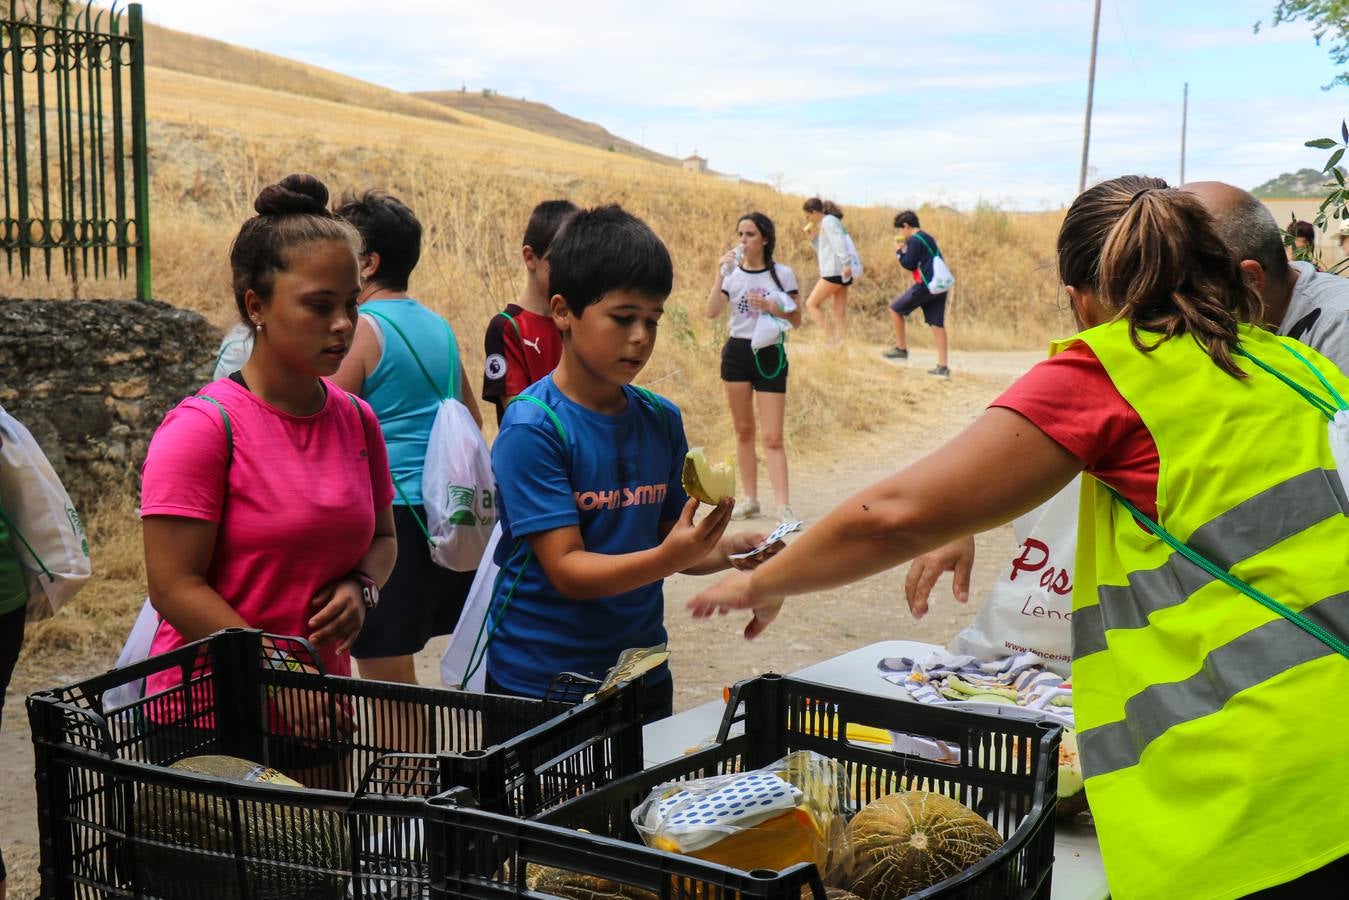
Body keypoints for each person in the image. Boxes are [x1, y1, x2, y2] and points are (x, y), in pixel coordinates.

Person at [690, 176, 1349, 899]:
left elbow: (892, 514)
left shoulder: (1117, 365)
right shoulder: (1298, 367)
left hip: (1256, 798)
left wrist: (761, 581)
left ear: (1080, 296)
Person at [907, 179, 1349, 669]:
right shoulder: (1212, 341)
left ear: (1245, 281)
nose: (1162, 314)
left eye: (1179, 285)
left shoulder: (1329, 340)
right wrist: (965, 505)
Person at [141, 175, 397, 780]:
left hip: (320, 710)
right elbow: (173, 586)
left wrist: (362, 588)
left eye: (352, 305)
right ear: (255, 305)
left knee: (322, 873)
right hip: (207, 716)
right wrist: (277, 676)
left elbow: (384, 540)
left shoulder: (357, 421)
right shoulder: (203, 429)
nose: (343, 325)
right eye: (319, 305)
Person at [484, 205, 781, 724]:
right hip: (541, 684)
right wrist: (671, 556)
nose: (641, 336)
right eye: (623, 318)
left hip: (640, 673)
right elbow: (569, 570)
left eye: (653, 320)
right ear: (563, 311)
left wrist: (731, 551)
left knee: (638, 806)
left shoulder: (662, 420)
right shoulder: (533, 428)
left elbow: (669, 541)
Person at [331, 190, 481, 685]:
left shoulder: (365, 329)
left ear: (367, 263)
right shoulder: (438, 325)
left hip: (390, 520)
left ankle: (413, 767)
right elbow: (471, 416)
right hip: (443, 513)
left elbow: (324, 420)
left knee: (387, 679)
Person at [706, 212, 802, 523]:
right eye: (741, 234)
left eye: (750, 234)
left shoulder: (782, 275)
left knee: (772, 436)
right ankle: (750, 499)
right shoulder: (732, 275)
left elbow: (797, 319)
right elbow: (711, 312)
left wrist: (773, 307)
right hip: (737, 351)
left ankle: (784, 505)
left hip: (770, 353)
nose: (744, 241)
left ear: (765, 239)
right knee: (743, 431)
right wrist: (720, 273)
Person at [483, 199, 579, 424]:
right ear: (529, 257)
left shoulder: (580, 321)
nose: (569, 273)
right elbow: (519, 415)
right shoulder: (507, 326)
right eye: (558, 262)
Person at [885, 210, 951, 377]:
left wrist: (899, 251)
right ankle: (943, 367)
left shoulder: (914, 240)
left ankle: (901, 348)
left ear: (906, 226)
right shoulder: (927, 237)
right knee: (937, 324)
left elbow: (908, 263)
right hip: (939, 286)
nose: (901, 233)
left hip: (926, 285)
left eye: (901, 230)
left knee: (895, 309)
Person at [801, 197, 851, 344]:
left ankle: (830, 340)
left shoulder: (828, 221)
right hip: (840, 271)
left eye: (807, 215)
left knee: (811, 304)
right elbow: (826, 249)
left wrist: (846, 263)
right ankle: (841, 343)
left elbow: (839, 243)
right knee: (839, 312)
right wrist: (813, 240)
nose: (807, 218)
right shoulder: (831, 221)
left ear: (814, 212)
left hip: (834, 271)